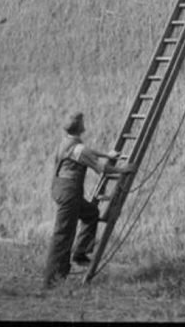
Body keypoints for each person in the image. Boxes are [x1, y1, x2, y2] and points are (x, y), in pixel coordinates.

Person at [42, 112, 136, 288]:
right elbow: (102, 169)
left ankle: (80, 253)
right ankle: (52, 280)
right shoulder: (79, 149)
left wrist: (107, 155)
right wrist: (124, 170)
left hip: (61, 189)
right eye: (83, 121)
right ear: (80, 127)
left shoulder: (67, 142)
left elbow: (87, 151)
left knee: (91, 213)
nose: (85, 123)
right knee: (63, 235)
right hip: (69, 193)